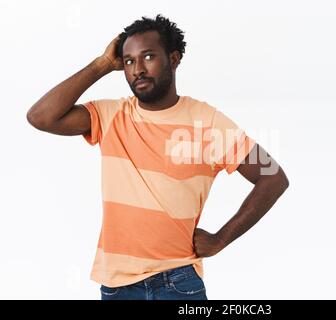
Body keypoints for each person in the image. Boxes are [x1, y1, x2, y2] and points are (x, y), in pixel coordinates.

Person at [26, 14, 289, 300]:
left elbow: (273, 179)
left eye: (148, 57)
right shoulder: (110, 115)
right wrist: (102, 64)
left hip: (178, 282)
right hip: (117, 286)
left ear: (173, 59)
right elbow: (41, 117)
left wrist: (220, 240)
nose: (137, 69)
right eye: (128, 61)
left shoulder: (207, 122)